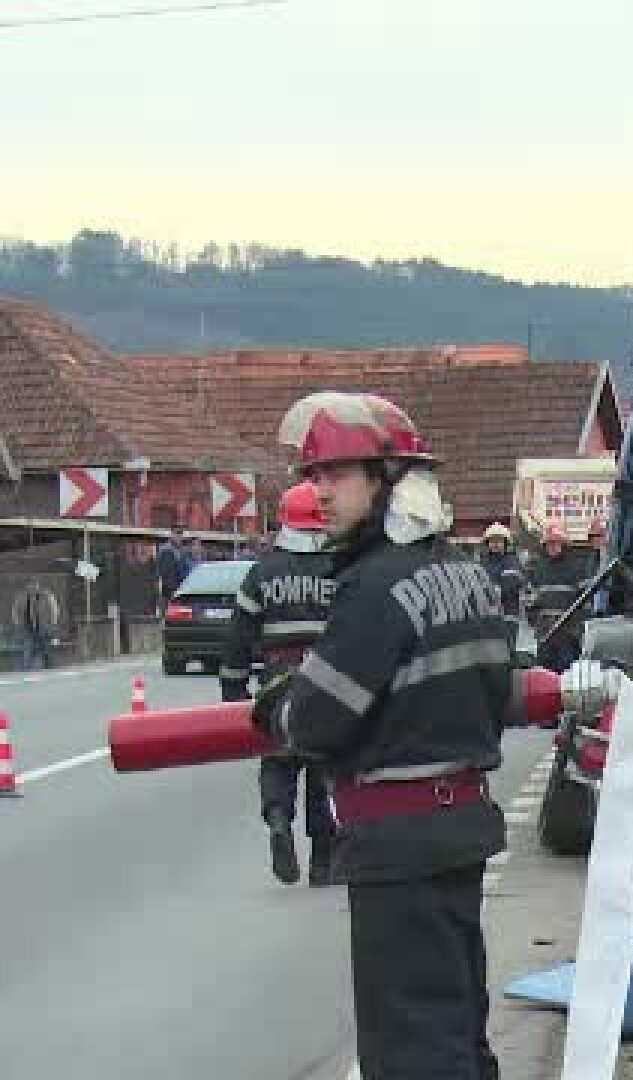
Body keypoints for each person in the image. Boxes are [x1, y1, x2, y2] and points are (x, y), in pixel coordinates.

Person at [259, 391, 513, 1080]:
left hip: (398, 847)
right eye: (314, 478)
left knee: (410, 1052)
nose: (318, 495)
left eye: (335, 476)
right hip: (458, 829)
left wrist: (277, 707)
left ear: (390, 479)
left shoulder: (375, 588)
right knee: (457, 1032)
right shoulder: (467, 575)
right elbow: (501, 697)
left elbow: (314, 723)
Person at [221, 481, 338, 887]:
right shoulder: (341, 568)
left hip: (276, 681)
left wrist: (233, 697)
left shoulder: (262, 572)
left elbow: (237, 639)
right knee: (325, 769)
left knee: (278, 760)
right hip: (328, 682)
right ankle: (324, 861)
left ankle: (278, 822)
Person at [524, 522, 590, 671]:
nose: (552, 547)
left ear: (563, 544)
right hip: (545, 632)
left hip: (568, 633)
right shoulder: (539, 568)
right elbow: (530, 598)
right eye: (549, 543)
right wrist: (535, 621)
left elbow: (585, 600)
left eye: (556, 543)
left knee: (566, 675)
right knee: (544, 674)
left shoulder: (576, 568)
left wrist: (577, 628)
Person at [476, 522, 525, 616]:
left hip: (509, 613)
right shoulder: (482, 563)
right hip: (487, 613)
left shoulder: (512, 562)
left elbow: (511, 586)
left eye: (499, 541)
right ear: (487, 543)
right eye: (492, 541)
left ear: (505, 543)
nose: (495, 544)